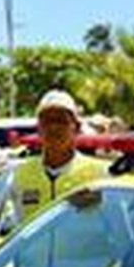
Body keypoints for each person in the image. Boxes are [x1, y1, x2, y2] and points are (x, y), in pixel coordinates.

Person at [12, 90, 109, 218]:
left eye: (61, 121)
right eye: (47, 121)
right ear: (39, 128)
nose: (53, 128)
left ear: (76, 127)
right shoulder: (22, 173)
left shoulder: (98, 173)